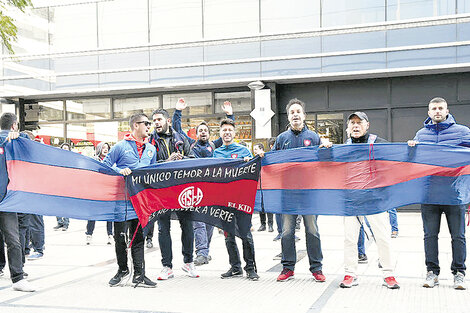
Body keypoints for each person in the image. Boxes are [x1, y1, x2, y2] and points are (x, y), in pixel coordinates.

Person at [408, 97, 470, 290]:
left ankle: (459, 272)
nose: (437, 111)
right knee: (430, 235)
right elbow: (413, 162)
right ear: (428, 112)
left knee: (458, 236)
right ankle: (432, 272)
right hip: (430, 195)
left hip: (454, 194)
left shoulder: (463, 132)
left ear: (447, 110)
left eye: (440, 108)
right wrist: (410, 149)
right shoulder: (420, 134)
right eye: (433, 108)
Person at [270, 98, 331, 283]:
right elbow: (272, 164)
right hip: (287, 195)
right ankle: (288, 268)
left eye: (298, 111)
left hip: (309, 194)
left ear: (304, 115)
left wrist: (327, 148)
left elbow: (325, 163)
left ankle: (317, 268)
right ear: (288, 117)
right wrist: (263, 156)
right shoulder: (281, 139)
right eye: (291, 112)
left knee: (312, 230)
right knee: (287, 232)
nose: (295, 114)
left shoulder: (314, 137)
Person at [339, 112, 399, 289]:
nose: (355, 126)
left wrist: (411, 146)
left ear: (367, 125)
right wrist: (326, 148)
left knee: (383, 237)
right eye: (352, 123)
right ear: (348, 128)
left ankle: (388, 274)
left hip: (375, 200)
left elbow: (397, 156)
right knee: (350, 238)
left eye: (359, 122)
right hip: (352, 200)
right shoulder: (344, 147)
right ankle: (350, 273)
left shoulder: (378, 143)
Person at [173, 98, 234, 266]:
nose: (203, 133)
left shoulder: (214, 146)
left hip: (213, 191)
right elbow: (177, 129)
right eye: (200, 130)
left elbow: (228, 132)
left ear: (209, 133)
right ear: (196, 133)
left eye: (205, 130)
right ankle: (201, 253)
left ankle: (204, 250)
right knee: (198, 222)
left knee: (210, 223)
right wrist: (178, 111)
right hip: (196, 190)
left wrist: (229, 115)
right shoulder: (191, 145)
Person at [103, 113, 156, 288]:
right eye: (145, 123)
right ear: (135, 125)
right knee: (120, 238)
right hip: (121, 201)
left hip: (141, 202)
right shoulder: (120, 146)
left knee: (138, 238)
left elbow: (154, 171)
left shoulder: (151, 149)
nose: (149, 126)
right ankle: (122, 269)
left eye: (149, 123)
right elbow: (105, 165)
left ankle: (139, 275)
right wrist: (119, 169)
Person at [148, 108, 198, 280]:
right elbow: (148, 165)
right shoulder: (150, 141)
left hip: (182, 189)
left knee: (187, 226)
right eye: (154, 120)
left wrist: (182, 159)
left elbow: (193, 159)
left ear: (168, 121)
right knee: (163, 229)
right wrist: (167, 162)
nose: (156, 123)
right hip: (161, 192)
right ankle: (166, 266)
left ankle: (188, 262)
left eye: (159, 120)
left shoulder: (181, 138)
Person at [213, 118, 259, 281]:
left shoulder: (244, 151)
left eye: (229, 130)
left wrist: (250, 162)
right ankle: (235, 267)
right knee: (228, 235)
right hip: (224, 201)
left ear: (234, 133)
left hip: (241, 200)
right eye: (224, 130)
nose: (227, 133)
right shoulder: (216, 153)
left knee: (246, 234)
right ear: (220, 133)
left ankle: (251, 268)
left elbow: (254, 171)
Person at [0, 112, 36, 292]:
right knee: (13, 240)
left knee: (13, 239)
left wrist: (18, 136)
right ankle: (18, 278)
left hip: (7, 201)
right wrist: (19, 135)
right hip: (7, 200)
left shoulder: (12, 139)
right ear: (14, 125)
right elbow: (32, 145)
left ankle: (17, 277)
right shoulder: (12, 140)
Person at [86, 142, 113, 245]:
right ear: (99, 149)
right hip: (96, 191)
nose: (105, 149)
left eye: (107, 148)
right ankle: (89, 234)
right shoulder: (94, 160)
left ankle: (110, 235)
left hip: (108, 190)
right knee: (93, 214)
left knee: (110, 215)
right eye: (103, 148)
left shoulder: (111, 161)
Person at [254, 143, 274, 233]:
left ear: (261, 149)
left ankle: (270, 225)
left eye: (256, 149)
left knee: (268, 206)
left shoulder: (267, 157)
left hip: (267, 185)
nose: (254, 151)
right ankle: (263, 224)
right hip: (258, 186)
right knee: (260, 206)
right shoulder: (254, 159)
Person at [53, 143, 72, 231]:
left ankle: (66, 223)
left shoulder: (71, 160)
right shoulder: (57, 159)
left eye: (66, 149)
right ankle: (59, 222)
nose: (65, 150)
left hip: (67, 185)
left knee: (66, 204)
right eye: (63, 148)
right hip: (58, 184)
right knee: (57, 204)